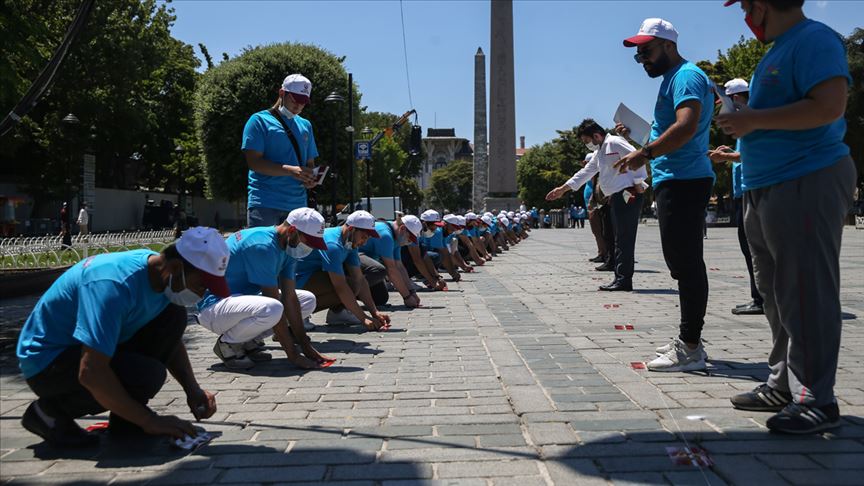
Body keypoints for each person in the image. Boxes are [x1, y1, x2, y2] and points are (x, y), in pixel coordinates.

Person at [717, 0, 856, 434]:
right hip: (767, 186)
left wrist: (751, 119)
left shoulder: (814, 39)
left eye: (743, 4)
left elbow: (829, 106)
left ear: (761, 4)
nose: (743, 12)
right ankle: (781, 382)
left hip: (805, 178)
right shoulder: (777, 51)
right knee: (775, 291)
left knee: (806, 289)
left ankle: (818, 398)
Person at [16, 227, 229, 447]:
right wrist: (149, 420)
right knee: (146, 374)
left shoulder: (161, 277)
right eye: (201, 285)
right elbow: (91, 372)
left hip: (86, 351)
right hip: (48, 364)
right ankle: (49, 413)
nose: (202, 294)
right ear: (176, 267)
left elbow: (169, 340)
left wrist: (192, 389)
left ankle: (127, 420)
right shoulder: (113, 285)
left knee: (173, 316)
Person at [615, 18, 715, 371]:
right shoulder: (678, 77)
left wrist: (645, 153)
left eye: (646, 51)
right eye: (638, 54)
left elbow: (686, 125)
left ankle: (690, 346)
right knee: (682, 261)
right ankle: (690, 339)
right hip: (680, 176)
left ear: (668, 46)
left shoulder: (686, 76)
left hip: (685, 178)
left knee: (685, 263)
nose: (642, 59)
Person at [196, 208, 331, 371]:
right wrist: (293, 355)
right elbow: (274, 302)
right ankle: (228, 345)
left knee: (306, 300)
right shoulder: (263, 246)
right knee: (272, 308)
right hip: (213, 307)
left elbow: (290, 297)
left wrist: (305, 345)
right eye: (308, 242)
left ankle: (248, 341)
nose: (309, 247)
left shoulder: (288, 246)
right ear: (293, 230)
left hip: (238, 303)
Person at [547, 119, 648, 291]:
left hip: (628, 193)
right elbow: (586, 172)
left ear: (596, 135)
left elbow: (639, 158)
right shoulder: (600, 151)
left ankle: (623, 280)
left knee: (623, 238)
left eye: (587, 141)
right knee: (619, 238)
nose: (587, 145)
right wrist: (564, 188)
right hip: (617, 195)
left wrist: (638, 183)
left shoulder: (614, 142)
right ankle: (620, 277)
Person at [707, 78, 764, 315]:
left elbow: (755, 153)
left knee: (754, 248)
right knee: (748, 247)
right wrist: (731, 152)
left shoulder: (753, 119)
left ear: (736, 99)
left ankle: (762, 299)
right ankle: (758, 296)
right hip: (743, 192)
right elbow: (744, 152)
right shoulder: (747, 121)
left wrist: (727, 158)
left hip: (753, 191)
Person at [242, 74, 319, 227]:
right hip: (265, 202)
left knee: (294, 252)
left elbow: (310, 163)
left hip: (297, 206)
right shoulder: (258, 120)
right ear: (282, 93)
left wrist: (311, 179)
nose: (298, 105)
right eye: (294, 99)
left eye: (303, 102)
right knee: (265, 250)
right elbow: (254, 163)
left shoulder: (306, 125)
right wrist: (291, 170)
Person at [294, 210, 391, 331]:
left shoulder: (350, 242)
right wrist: (363, 318)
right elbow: (340, 286)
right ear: (351, 230)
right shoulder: (333, 245)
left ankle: (338, 313)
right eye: (363, 237)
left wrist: (374, 312)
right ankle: (297, 313)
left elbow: (360, 279)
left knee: (355, 283)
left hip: (311, 277)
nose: (364, 242)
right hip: (296, 282)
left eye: (368, 238)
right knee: (348, 286)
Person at [359, 214, 424, 308]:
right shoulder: (386, 235)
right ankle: (345, 296)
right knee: (379, 270)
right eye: (410, 239)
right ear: (402, 229)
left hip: (362, 264)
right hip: (352, 261)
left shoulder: (396, 235)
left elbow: (399, 267)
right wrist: (407, 297)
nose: (409, 242)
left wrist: (412, 292)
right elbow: (391, 270)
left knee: (380, 298)